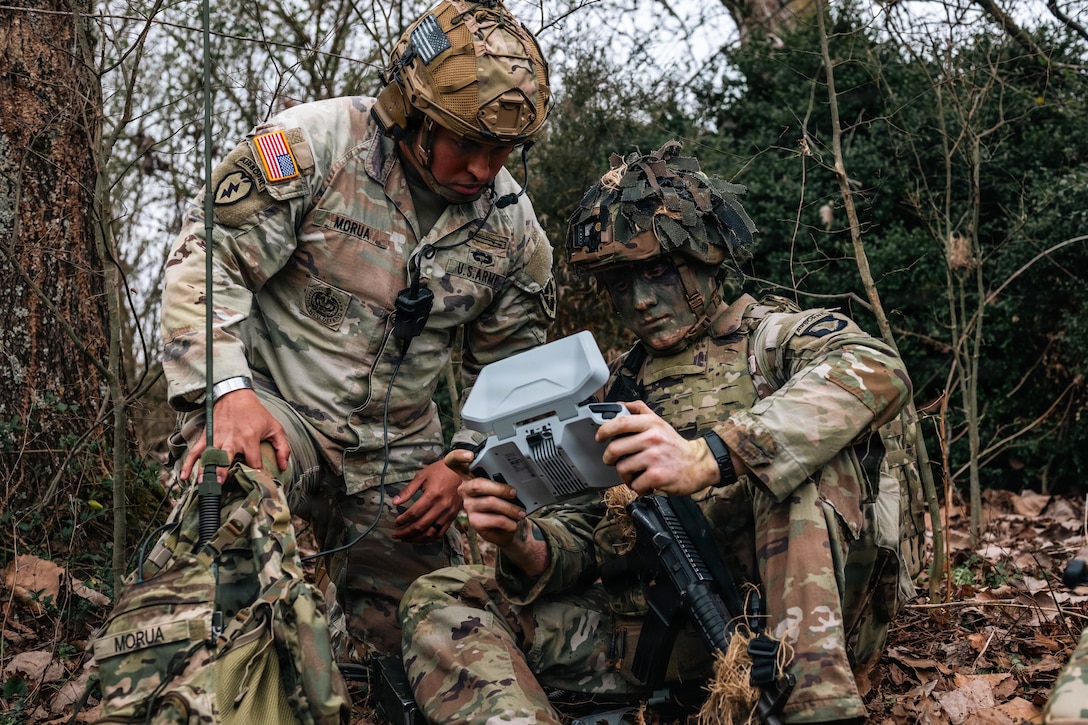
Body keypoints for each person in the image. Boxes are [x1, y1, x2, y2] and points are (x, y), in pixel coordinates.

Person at [399, 141, 918, 724]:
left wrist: (713, 454)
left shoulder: (773, 342)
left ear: (704, 257)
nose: (641, 301)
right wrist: (522, 541)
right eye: (620, 283)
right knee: (443, 596)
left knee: (798, 468)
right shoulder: (617, 384)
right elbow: (589, 528)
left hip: (790, 637)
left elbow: (876, 369)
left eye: (656, 272)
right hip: (656, 636)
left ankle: (813, 713)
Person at [160, 0, 555, 659]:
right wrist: (225, 390)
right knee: (229, 488)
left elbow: (516, 365)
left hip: (398, 452)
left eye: (504, 150)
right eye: (469, 144)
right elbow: (206, 260)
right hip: (277, 412)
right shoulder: (313, 146)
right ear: (412, 114)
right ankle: (185, 670)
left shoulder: (513, 229)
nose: (485, 169)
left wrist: (465, 460)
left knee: (435, 632)